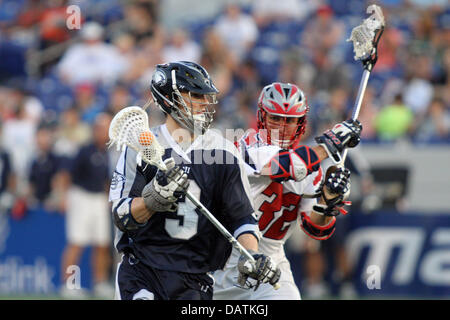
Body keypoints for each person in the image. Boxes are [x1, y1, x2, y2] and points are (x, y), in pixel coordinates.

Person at [110, 61, 281, 300]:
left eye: (205, 96)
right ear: (168, 98)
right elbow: (121, 216)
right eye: (194, 95)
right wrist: (152, 200)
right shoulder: (142, 148)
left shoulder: (223, 152)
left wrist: (251, 254)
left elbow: (242, 217)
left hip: (195, 277)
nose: (204, 103)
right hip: (142, 270)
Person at [213, 82, 361, 300]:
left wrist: (328, 202)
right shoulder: (249, 145)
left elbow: (314, 228)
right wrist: (329, 145)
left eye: (290, 120)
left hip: (272, 260)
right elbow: (282, 167)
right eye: (275, 118)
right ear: (262, 117)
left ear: (301, 122)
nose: (282, 126)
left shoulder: (313, 168)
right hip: (224, 258)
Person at [60, 113, 115, 299]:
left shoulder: (106, 153)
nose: (106, 132)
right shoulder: (84, 150)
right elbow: (67, 174)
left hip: (99, 200)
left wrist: (110, 199)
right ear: (95, 130)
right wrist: (63, 197)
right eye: (102, 128)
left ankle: (99, 283)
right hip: (81, 197)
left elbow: (106, 181)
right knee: (77, 242)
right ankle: (69, 284)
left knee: (102, 243)